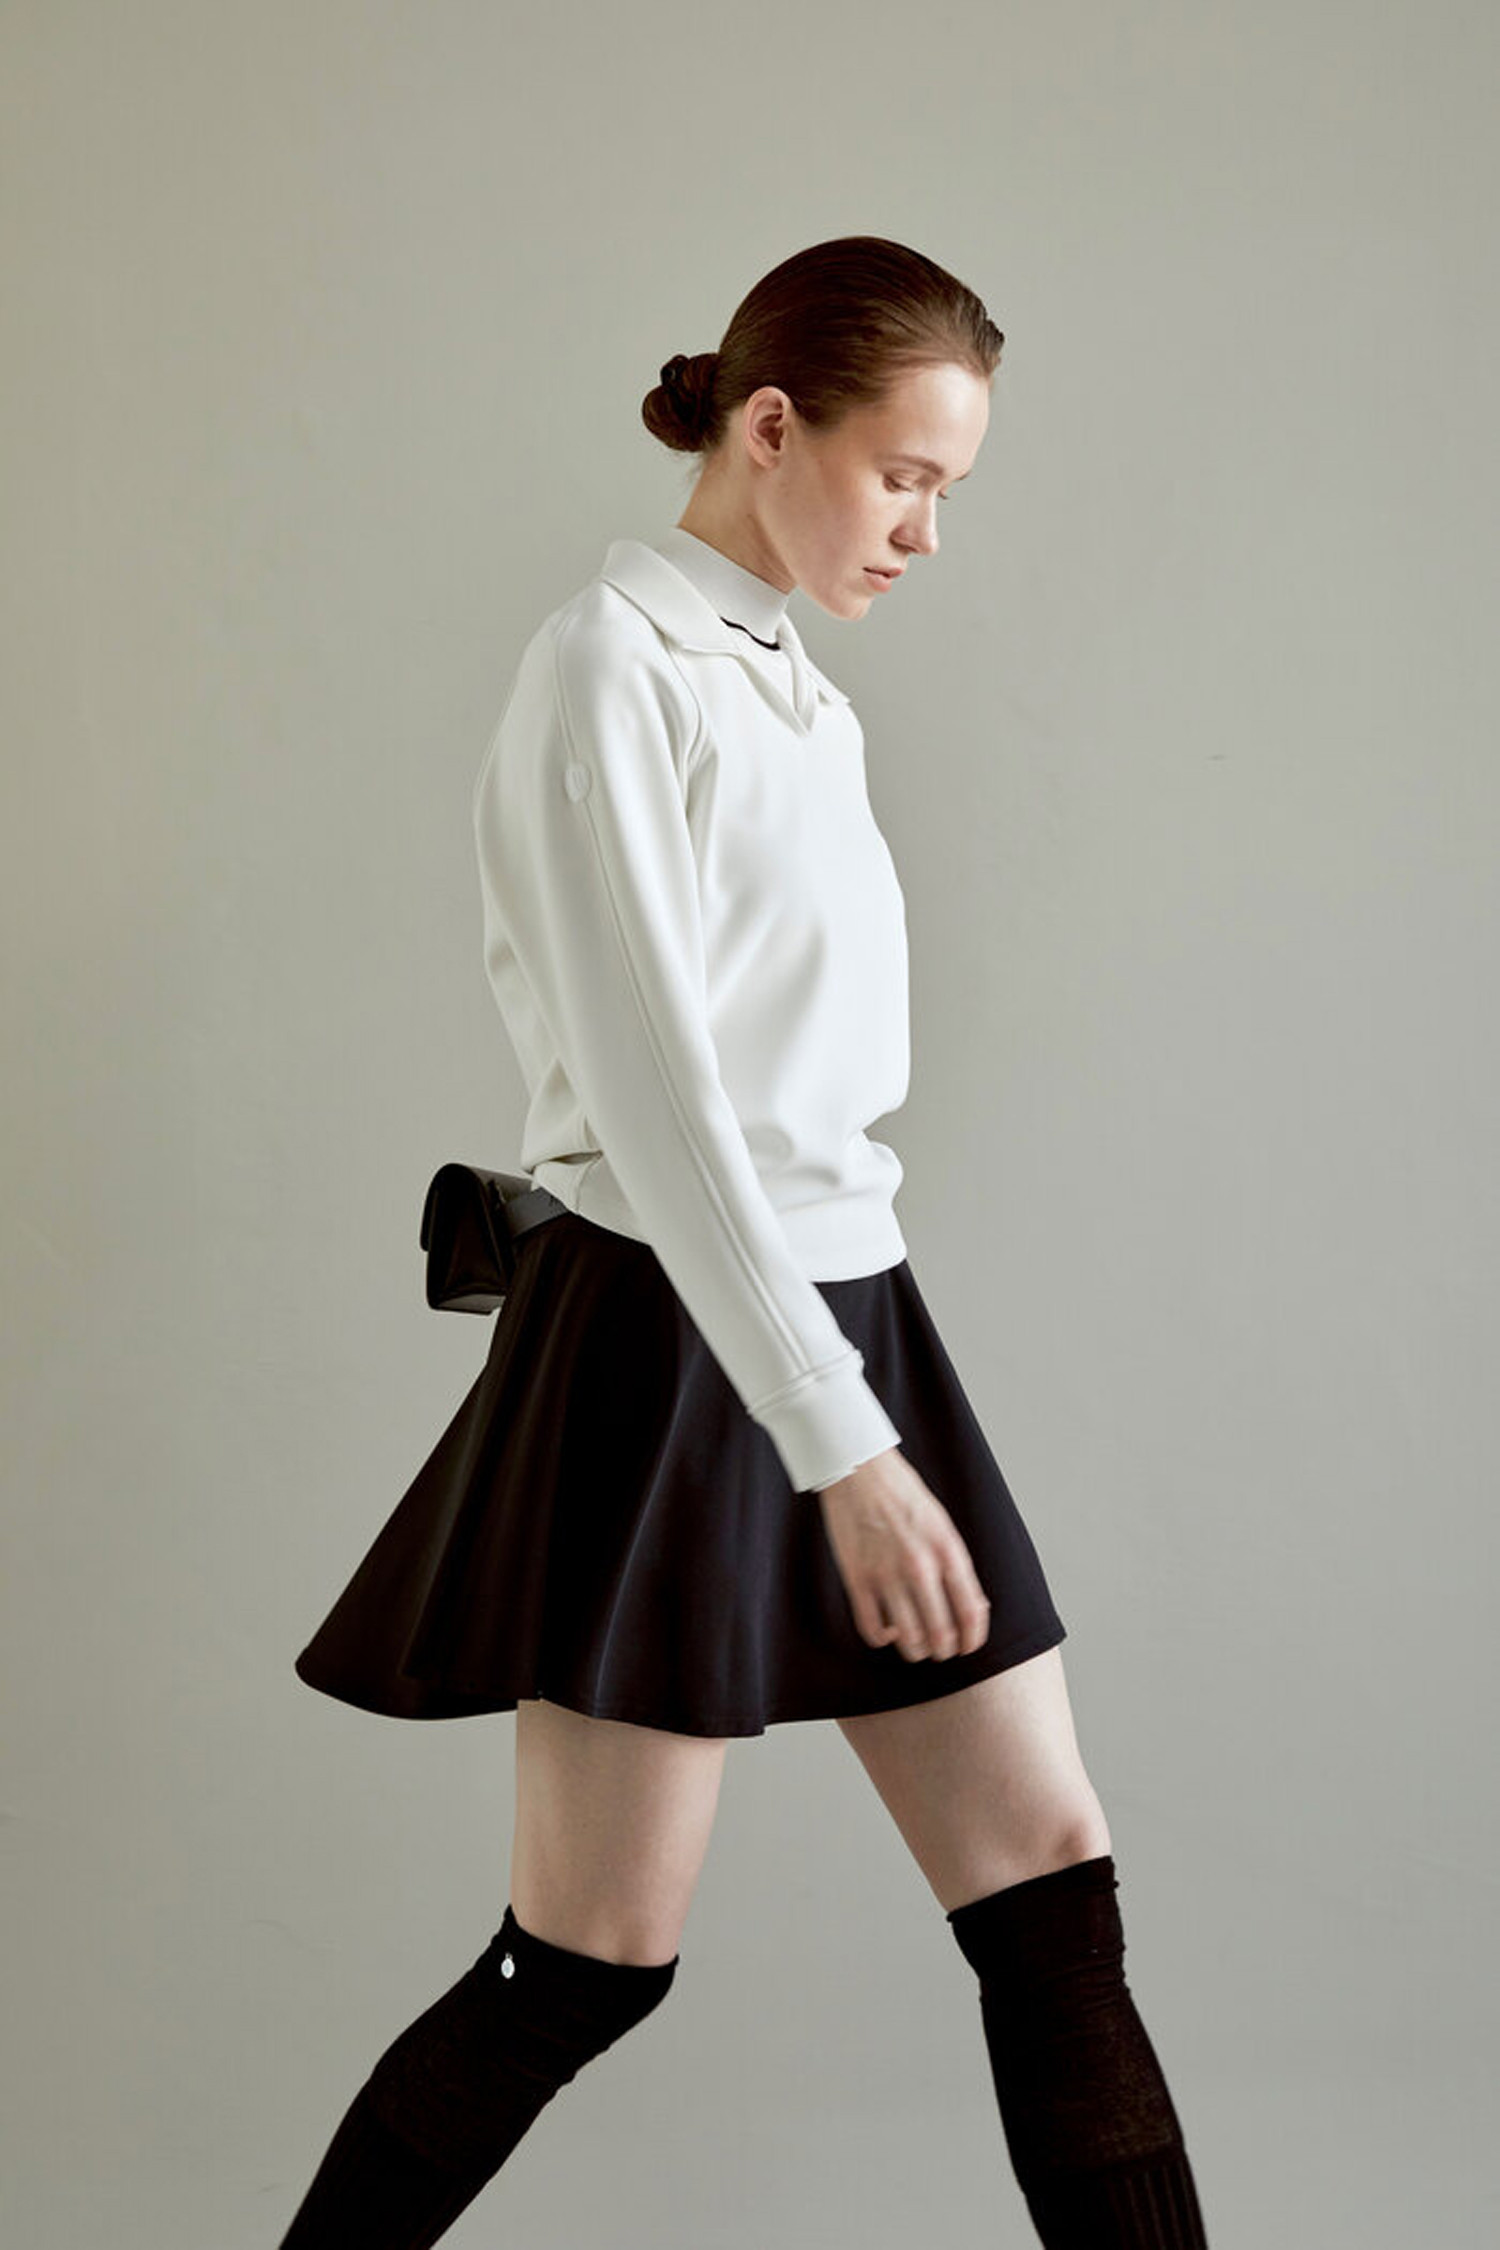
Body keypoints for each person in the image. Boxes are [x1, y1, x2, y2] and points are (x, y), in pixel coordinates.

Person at [278, 235, 1210, 2248]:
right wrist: (835, 1436)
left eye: (950, 488)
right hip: (670, 1338)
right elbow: (660, 1112)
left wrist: (860, 1397)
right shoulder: (606, 671)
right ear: (772, 425)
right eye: (906, 477)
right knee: (586, 1960)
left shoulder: (795, 690)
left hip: (849, 1312)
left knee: (1050, 1895)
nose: (929, 532)